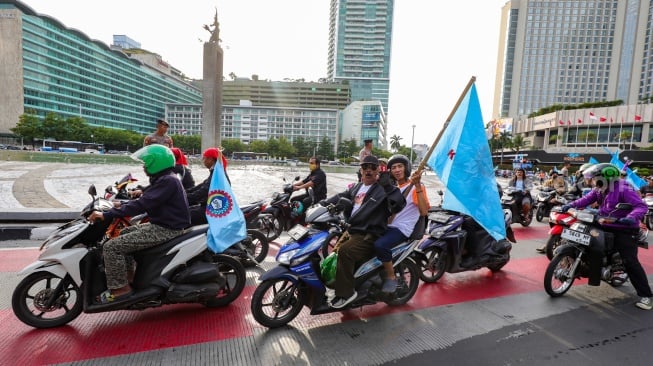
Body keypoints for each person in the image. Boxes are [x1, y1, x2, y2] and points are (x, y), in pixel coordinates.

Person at [87, 145, 190, 303]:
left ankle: (120, 289)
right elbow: (149, 195)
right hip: (162, 224)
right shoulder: (166, 177)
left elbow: (142, 204)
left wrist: (107, 214)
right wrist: (121, 202)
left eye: (146, 163)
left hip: (166, 229)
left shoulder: (168, 181)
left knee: (111, 247)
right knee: (123, 233)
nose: (144, 166)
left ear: (156, 163)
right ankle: (130, 276)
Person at [560, 163, 652, 310]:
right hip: (604, 222)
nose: (592, 181)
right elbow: (586, 199)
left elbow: (641, 206)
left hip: (624, 228)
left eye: (594, 178)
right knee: (580, 234)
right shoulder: (600, 189)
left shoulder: (623, 188)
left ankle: (646, 296)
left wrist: (631, 217)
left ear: (606, 177)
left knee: (630, 261)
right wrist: (570, 205)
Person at [323, 155, 406, 308]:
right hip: (352, 230)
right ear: (360, 170)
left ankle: (346, 293)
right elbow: (342, 196)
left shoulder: (382, 189)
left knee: (345, 252)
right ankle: (343, 284)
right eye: (365, 167)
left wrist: (387, 186)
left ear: (377, 171)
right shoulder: (357, 187)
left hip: (369, 233)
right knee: (333, 255)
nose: (368, 170)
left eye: (372, 167)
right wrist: (324, 203)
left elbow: (398, 204)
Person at [373, 154, 429, 292]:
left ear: (406, 168)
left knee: (380, 245)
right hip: (388, 226)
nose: (397, 170)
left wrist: (417, 185)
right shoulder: (393, 188)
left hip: (402, 229)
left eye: (400, 166)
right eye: (393, 167)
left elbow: (423, 211)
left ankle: (392, 277)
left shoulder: (416, 186)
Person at [186, 147, 228, 226]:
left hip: (212, 210)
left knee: (182, 215)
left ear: (211, 159)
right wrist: (184, 193)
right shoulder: (215, 172)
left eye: (204, 159)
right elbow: (201, 186)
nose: (203, 161)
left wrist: (185, 198)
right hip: (208, 206)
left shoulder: (218, 175)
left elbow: (203, 191)